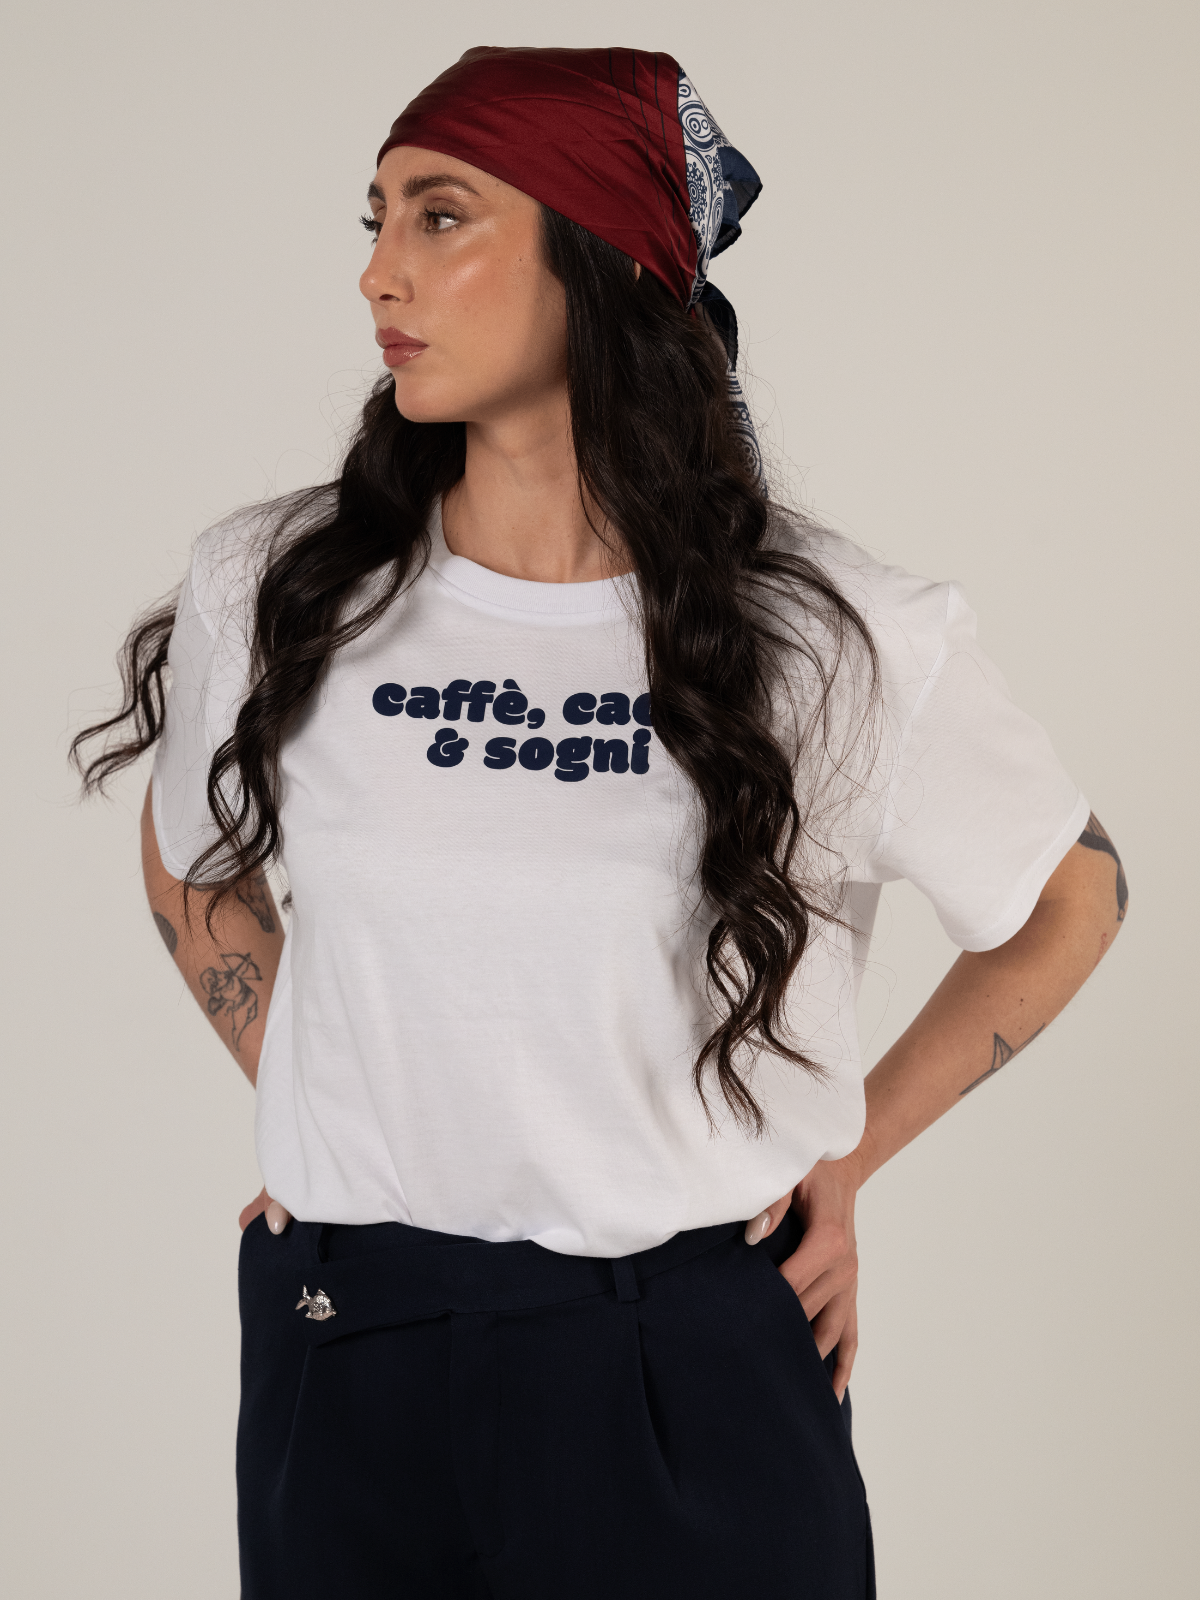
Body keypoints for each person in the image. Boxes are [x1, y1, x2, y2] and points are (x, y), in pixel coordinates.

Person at [75, 45, 1127, 1600]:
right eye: (375, 219)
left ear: (608, 257)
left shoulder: (834, 642)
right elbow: (190, 856)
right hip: (349, 1347)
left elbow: (1071, 895)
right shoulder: (281, 587)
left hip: (686, 1356)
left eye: (441, 217)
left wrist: (849, 1152)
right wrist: (319, 1084)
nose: (377, 272)